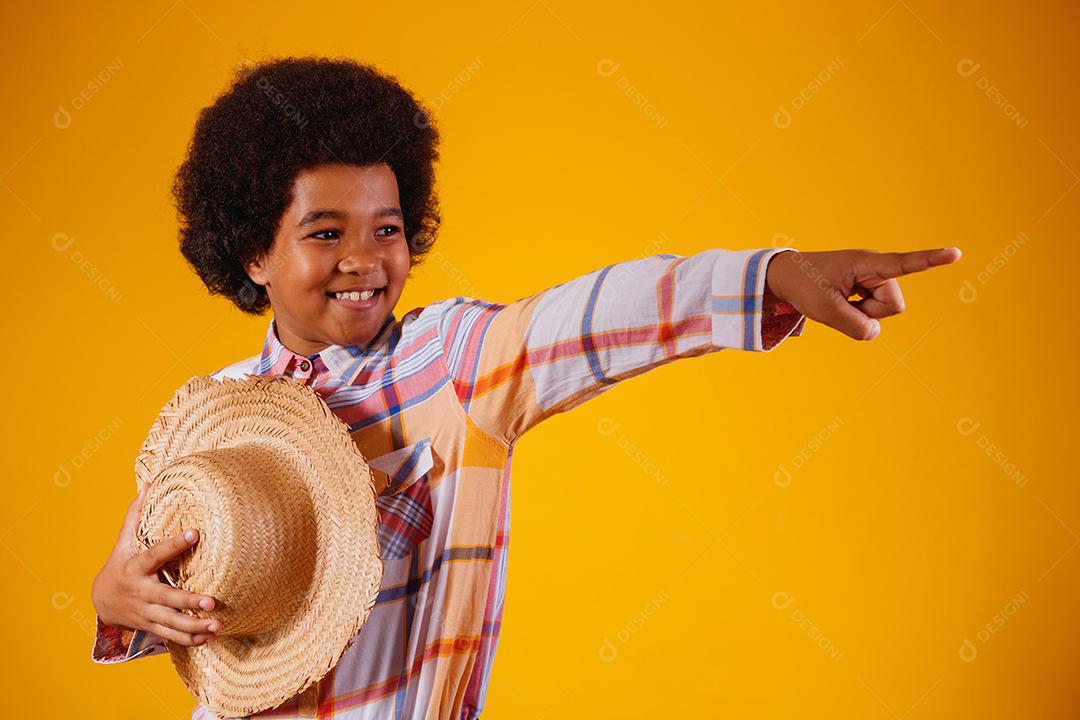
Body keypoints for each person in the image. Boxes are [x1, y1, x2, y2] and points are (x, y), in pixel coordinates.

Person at [89, 56, 961, 720]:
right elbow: (149, 575)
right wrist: (113, 600)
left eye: (386, 228)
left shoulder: (452, 362)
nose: (365, 261)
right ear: (252, 252)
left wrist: (769, 276)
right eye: (325, 232)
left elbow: (587, 318)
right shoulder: (211, 414)